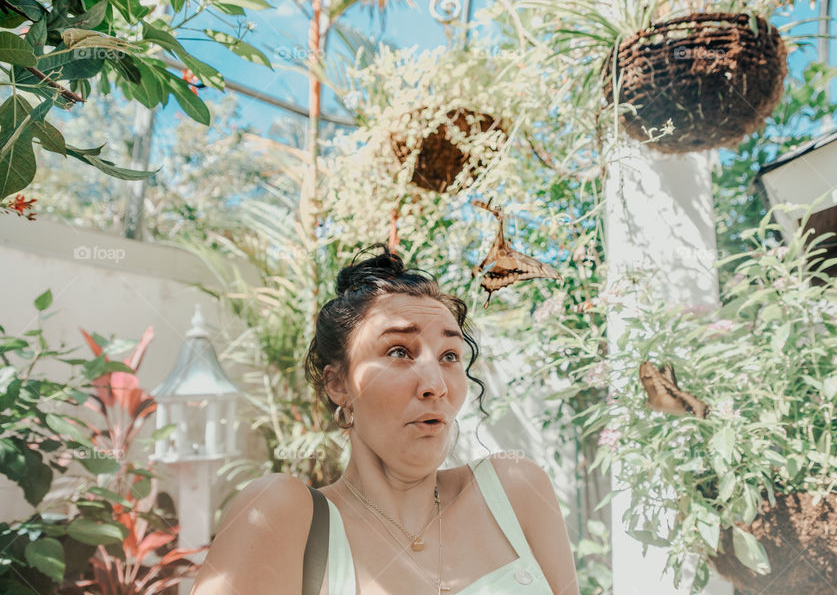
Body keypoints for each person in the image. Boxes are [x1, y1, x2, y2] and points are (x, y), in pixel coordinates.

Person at [191, 245, 579, 594]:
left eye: (449, 356)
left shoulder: (516, 491)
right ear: (338, 384)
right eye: (399, 351)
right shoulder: (281, 516)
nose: (435, 385)